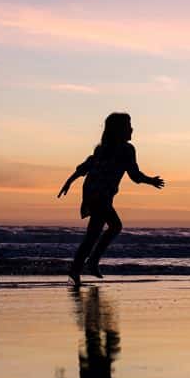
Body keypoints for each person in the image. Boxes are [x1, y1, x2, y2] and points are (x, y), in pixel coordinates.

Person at [58, 112, 164, 283]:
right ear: (120, 130)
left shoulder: (102, 149)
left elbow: (84, 167)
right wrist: (151, 181)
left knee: (93, 234)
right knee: (115, 226)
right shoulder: (126, 149)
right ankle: (91, 262)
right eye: (129, 126)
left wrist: (69, 182)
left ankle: (75, 271)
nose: (132, 129)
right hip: (100, 196)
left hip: (93, 193)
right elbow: (135, 175)